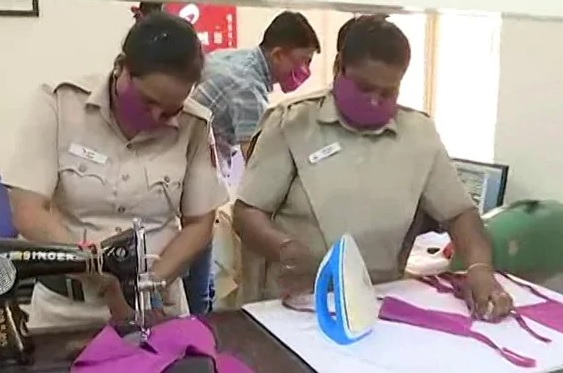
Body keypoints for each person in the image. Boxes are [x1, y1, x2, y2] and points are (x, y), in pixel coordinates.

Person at [232, 16, 514, 320]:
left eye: (388, 92)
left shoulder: (418, 133)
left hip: (374, 303)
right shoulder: (293, 122)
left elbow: (460, 214)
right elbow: (247, 213)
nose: (376, 101)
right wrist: (285, 250)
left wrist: (480, 269)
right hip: (295, 300)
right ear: (339, 68)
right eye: (365, 88)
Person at [1, 13, 228, 328]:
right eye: (146, 102)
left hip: (156, 308)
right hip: (66, 313)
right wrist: (102, 279)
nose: (156, 116)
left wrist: (149, 284)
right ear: (121, 68)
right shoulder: (59, 104)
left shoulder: (195, 125)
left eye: (170, 109)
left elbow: (200, 223)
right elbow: (28, 210)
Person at [185, 11, 321, 314]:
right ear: (277, 54)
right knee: (199, 285)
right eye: (303, 61)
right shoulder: (248, 86)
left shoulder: (233, 57)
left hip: (191, 166)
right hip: (193, 180)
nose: (305, 71)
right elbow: (257, 160)